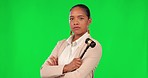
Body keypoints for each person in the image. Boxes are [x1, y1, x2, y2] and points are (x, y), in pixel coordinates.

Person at [40, 4, 102, 78]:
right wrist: (66, 67)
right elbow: (43, 72)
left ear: (89, 21)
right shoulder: (61, 44)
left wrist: (54, 71)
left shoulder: (93, 46)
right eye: (72, 18)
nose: (75, 22)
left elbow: (77, 76)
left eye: (81, 18)